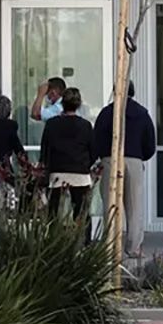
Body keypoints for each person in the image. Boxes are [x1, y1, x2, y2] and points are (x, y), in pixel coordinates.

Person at [93, 81, 157, 258]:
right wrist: (140, 156)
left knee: (110, 205)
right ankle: (133, 246)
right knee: (134, 206)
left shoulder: (107, 113)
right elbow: (150, 142)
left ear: (115, 91)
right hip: (134, 160)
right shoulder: (142, 113)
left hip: (110, 159)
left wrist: (101, 156)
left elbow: (96, 138)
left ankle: (110, 246)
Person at [39, 87, 96, 226]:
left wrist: (45, 168)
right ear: (79, 104)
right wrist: (87, 165)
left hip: (57, 173)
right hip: (80, 173)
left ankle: (53, 237)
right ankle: (83, 238)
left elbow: (45, 149)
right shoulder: (85, 125)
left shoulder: (52, 124)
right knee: (81, 213)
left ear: (62, 103)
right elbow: (93, 150)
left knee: (53, 214)